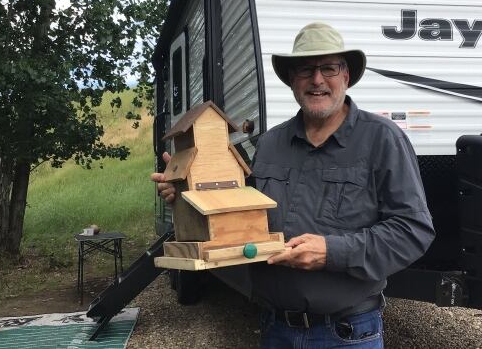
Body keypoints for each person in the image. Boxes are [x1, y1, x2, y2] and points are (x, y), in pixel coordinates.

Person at [152, 22, 435, 348]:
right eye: (305, 69)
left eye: (329, 68)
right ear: (291, 80)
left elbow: (414, 230)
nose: (317, 80)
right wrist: (188, 195)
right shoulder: (271, 143)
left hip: (348, 333)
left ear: (346, 76)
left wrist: (331, 251)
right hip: (276, 329)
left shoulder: (382, 139)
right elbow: (245, 219)